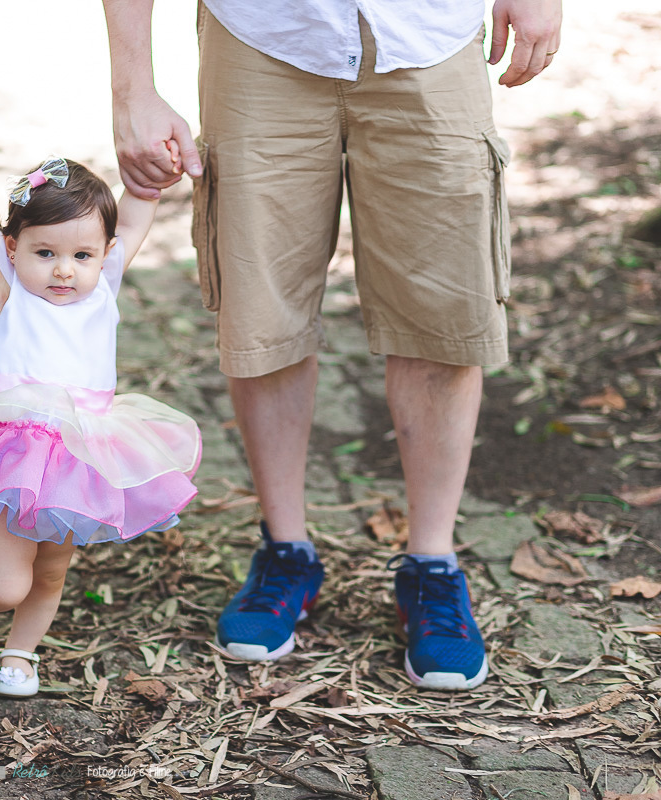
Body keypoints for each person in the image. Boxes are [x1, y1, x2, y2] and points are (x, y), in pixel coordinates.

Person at [102, 0, 561, 690]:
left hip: (431, 31)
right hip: (261, 33)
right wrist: (132, 85)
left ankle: (432, 567)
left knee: (443, 311)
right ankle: (285, 553)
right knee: (262, 308)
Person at [0, 131, 202, 697]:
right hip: (6, 454)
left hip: (81, 453)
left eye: (81, 256)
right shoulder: (3, 291)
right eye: (44, 253)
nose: (63, 271)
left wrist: (149, 182)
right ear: (11, 247)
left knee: (51, 570)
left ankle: (23, 651)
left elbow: (133, 218)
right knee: (7, 583)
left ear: (102, 255)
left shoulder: (102, 287)